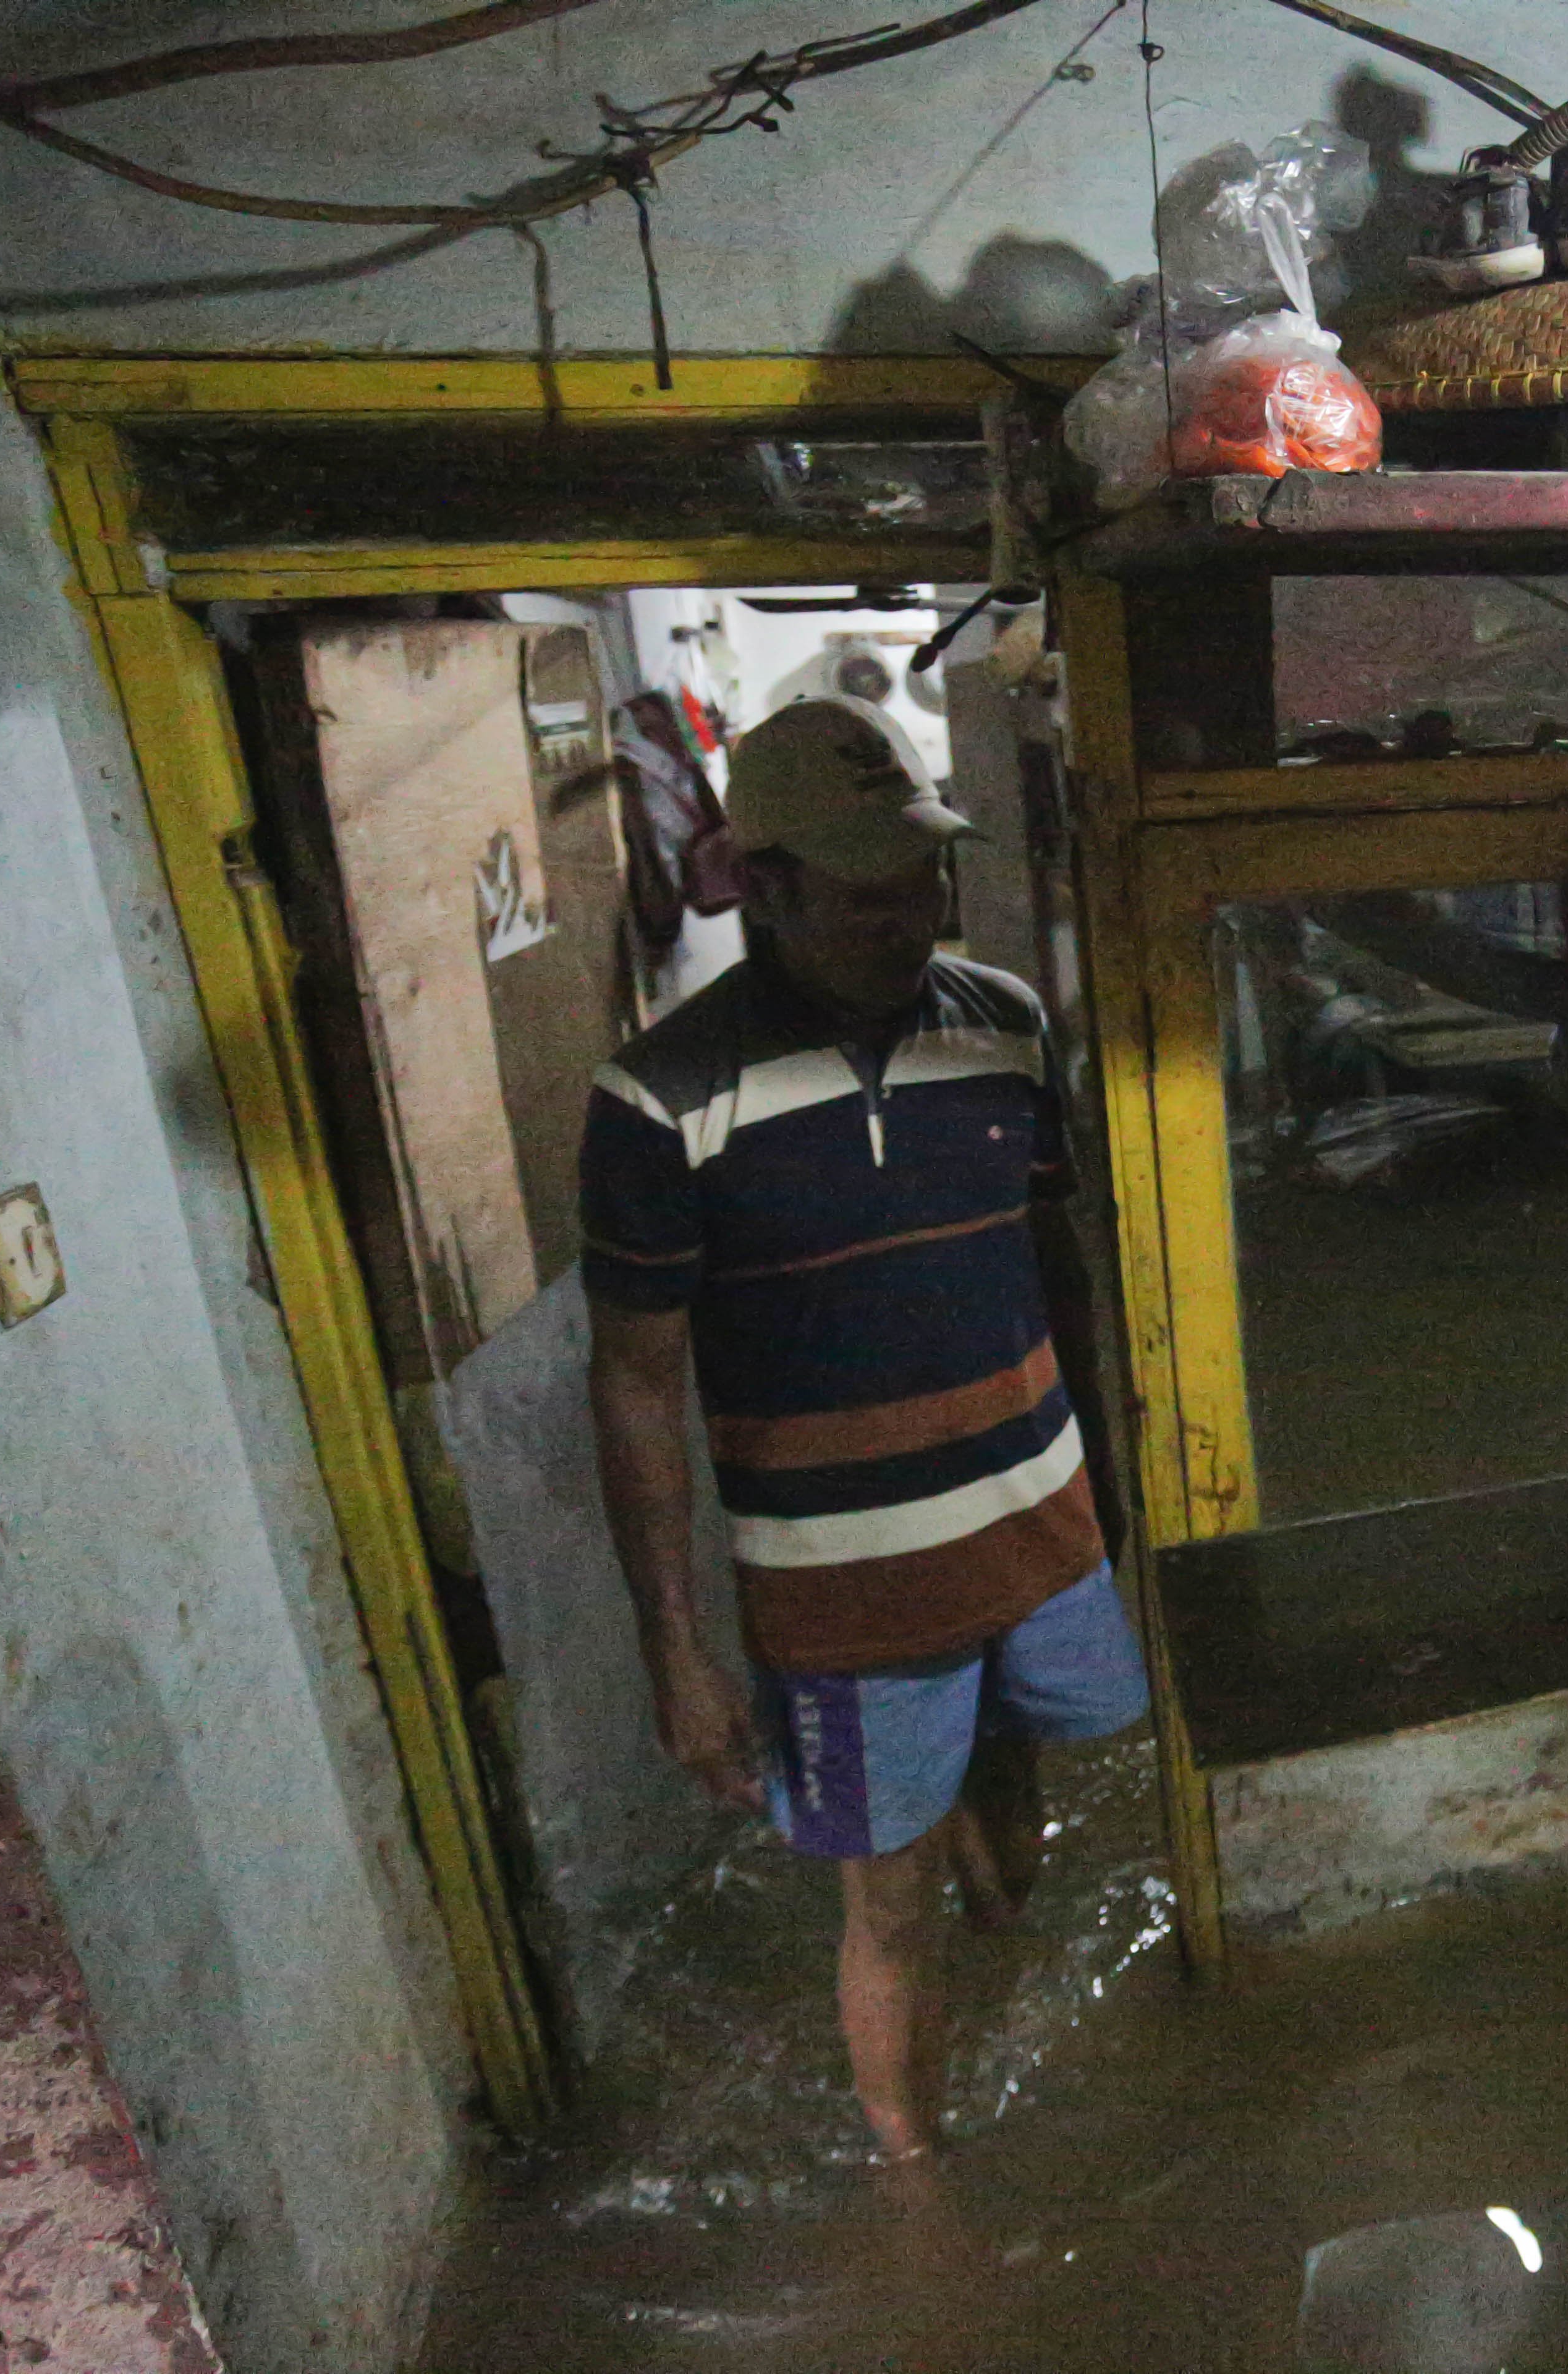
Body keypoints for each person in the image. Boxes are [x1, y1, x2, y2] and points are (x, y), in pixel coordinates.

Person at [579, 692, 1143, 2162]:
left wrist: (1111, 1478)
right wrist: (677, 1649)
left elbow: (1053, 1257)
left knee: (1024, 1756)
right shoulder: (662, 1097)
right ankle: (912, 2184)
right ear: (761, 886)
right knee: (879, 1900)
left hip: (1038, 1521)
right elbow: (635, 1377)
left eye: (923, 885)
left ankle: (1006, 1934)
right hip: (846, 1591)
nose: (907, 922)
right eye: (865, 895)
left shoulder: (1005, 1027)